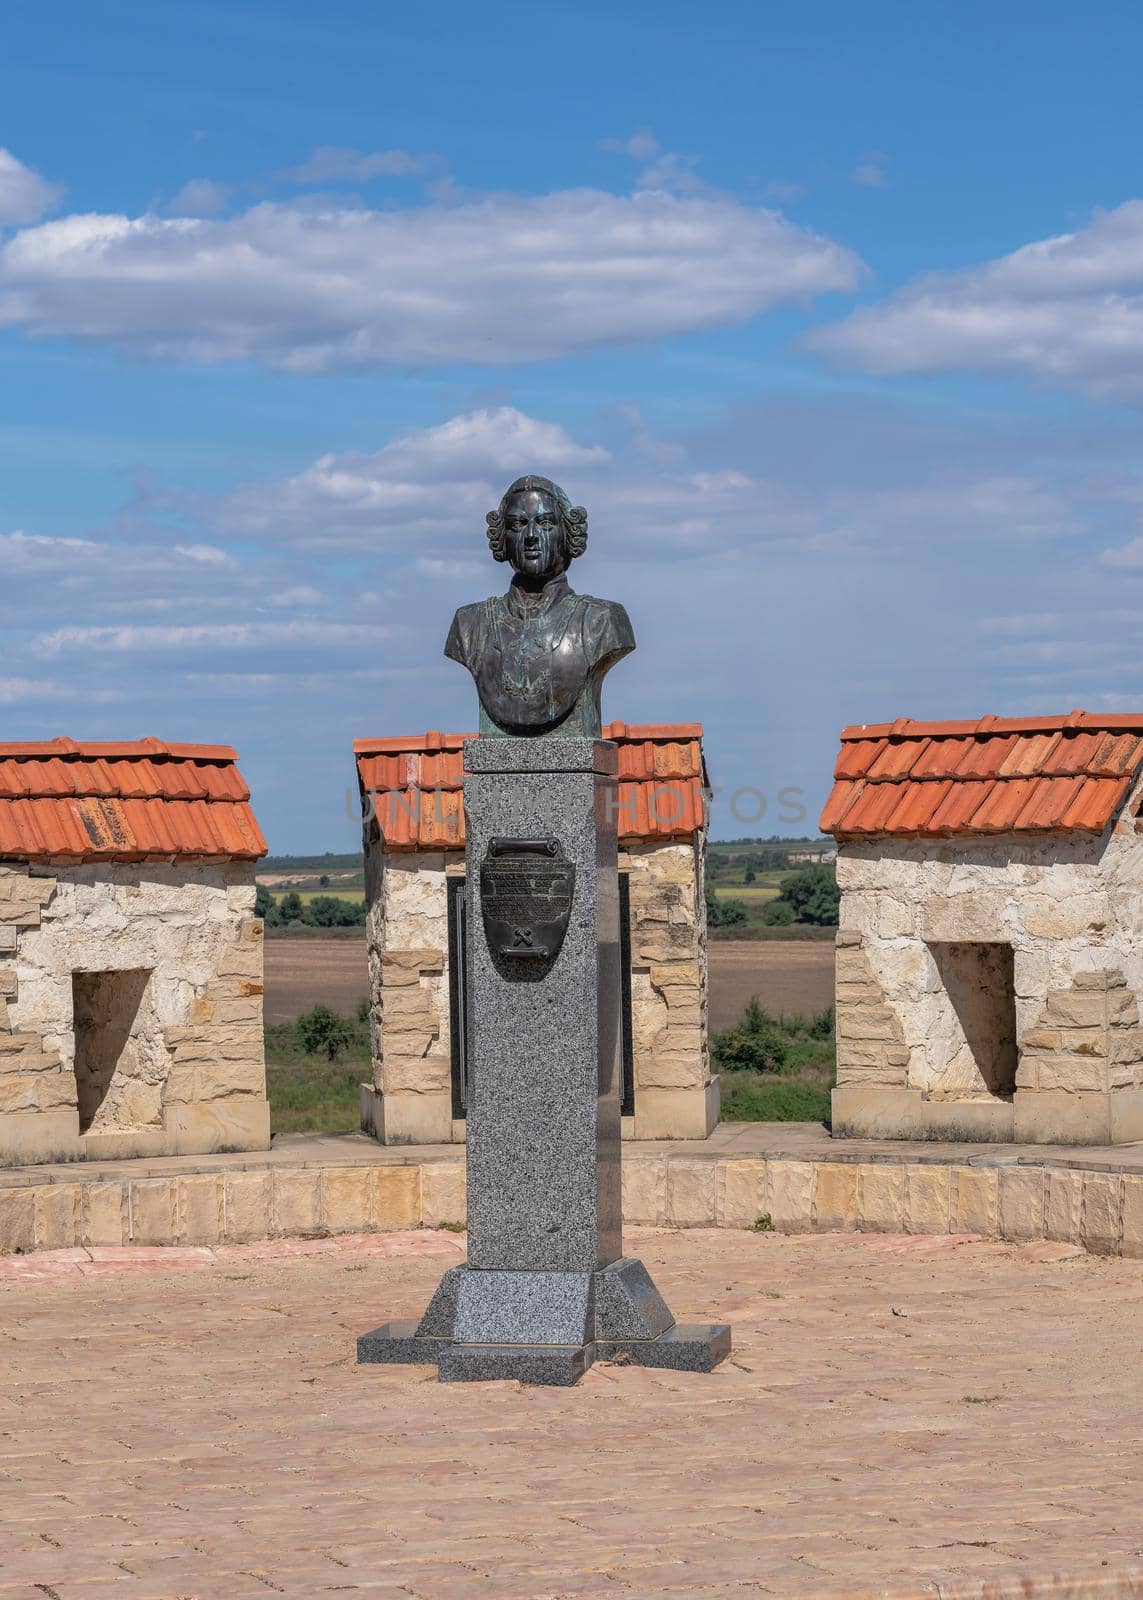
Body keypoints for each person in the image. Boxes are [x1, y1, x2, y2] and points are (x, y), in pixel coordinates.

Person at [444, 474, 635, 737]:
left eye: (545, 523)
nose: (531, 535)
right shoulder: (470, 625)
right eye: (518, 524)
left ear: (567, 534)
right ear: (503, 538)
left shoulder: (601, 620)